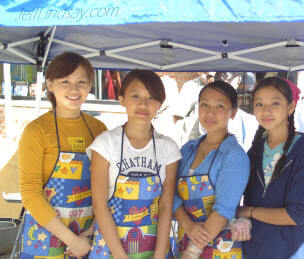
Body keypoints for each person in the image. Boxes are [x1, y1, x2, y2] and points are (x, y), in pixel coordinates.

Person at [18, 52, 107, 258]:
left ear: (90, 85)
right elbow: (30, 193)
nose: (74, 89)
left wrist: (89, 233)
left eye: (81, 81)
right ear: (50, 84)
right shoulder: (37, 131)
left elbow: (107, 187)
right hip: (44, 236)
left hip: (87, 237)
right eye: (65, 81)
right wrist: (71, 240)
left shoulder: (99, 129)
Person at [87, 70, 181, 259]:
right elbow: (99, 205)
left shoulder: (168, 148)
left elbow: (165, 205)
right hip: (109, 247)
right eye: (135, 96)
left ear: (159, 105)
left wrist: (159, 254)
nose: (143, 104)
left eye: (151, 97)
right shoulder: (105, 144)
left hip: (152, 245)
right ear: (122, 99)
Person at [235, 77, 304, 258]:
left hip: (292, 250)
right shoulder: (257, 148)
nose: (266, 110)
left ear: (291, 107)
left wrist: (249, 211)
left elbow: (295, 215)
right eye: (259, 104)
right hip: (256, 249)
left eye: (275, 103)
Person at [173, 80, 250, 258]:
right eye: (205, 105)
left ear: (233, 112)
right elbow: (172, 195)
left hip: (219, 248)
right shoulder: (187, 149)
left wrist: (192, 253)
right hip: (186, 237)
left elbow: (223, 210)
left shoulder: (234, 156)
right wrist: (189, 226)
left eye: (220, 106)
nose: (210, 112)